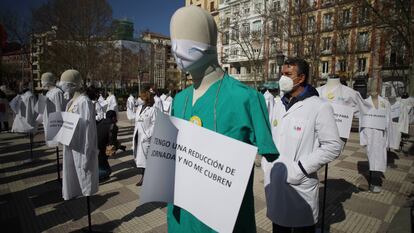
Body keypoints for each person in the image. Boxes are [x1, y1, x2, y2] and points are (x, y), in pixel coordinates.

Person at [167, 6, 278, 233]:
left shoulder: (247, 98)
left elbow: (267, 154)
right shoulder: (179, 101)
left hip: (224, 223)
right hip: (181, 219)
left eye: (186, 38)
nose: (177, 48)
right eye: (173, 40)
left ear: (208, 41)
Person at [263, 58, 343, 233]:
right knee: (279, 227)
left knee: (302, 227)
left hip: (300, 182)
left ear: (301, 78)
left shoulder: (319, 107)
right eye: (282, 74)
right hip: (276, 180)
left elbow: (333, 146)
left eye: (288, 74)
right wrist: (266, 163)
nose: (282, 78)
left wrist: (301, 168)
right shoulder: (278, 104)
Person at [60, 69, 99, 200]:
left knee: (84, 180)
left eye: (64, 83)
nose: (62, 86)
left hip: (82, 150)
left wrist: (87, 155)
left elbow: (89, 131)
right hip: (72, 147)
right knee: (72, 177)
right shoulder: (72, 102)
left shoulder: (84, 102)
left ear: (72, 84)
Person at [360, 91, 391, 193]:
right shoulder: (364, 102)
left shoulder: (385, 103)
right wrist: (363, 138)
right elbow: (361, 120)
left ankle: (376, 182)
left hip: (381, 134)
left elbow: (388, 120)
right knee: (371, 157)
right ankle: (373, 183)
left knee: (380, 158)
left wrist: (388, 139)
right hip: (369, 134)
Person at [132, 90, 157, 186]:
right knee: (140, 158)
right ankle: (144, 176)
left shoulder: (152, 110)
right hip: (138, 135)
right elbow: (137, 122)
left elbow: (155, 124)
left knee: (146, 158)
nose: (139, 99)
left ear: (146, 99)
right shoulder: (139, 108)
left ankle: (145, 178)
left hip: (145, 137)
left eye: (141, 98)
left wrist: (147, 135)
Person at [96, 110, 125, 180]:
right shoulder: (113, 126)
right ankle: (94, 178)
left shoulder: (100, 122)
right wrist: (119, 146)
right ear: (113, 117)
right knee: (107, 171)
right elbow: (112, 142)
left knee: (104, 166)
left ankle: (100, 175)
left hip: (94, 149)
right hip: (101, 152)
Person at [41, 72, 66, 147]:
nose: (41, 82)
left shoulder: (57, 92)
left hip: (55, 124)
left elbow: (59, 110)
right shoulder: (48, 93)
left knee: (56, 142)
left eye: (42, 80)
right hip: (48, 122)